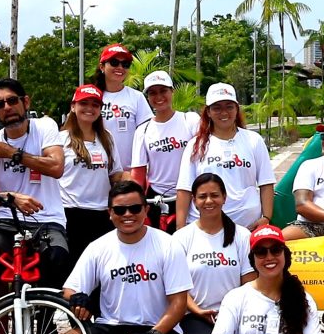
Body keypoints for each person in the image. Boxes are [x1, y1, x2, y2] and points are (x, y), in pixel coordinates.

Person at [64, 177, 188, 334]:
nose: (127, 214)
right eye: (120, 210)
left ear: (146, 209)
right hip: (111, 327)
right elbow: (70, 289)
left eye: (135, 208)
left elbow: (179, 303)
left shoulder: (168, 244)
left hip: (156, 326)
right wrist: (77, 297)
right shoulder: (98, 247)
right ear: (110, 213)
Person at [0, 76, 72, 292]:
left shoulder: (44, 126)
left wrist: (12, 153)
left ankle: (45, 322)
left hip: (47, 219)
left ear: (26, 102)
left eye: (12, 101)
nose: (7, 107)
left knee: (57, 256)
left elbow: (56, 167)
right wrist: (9, 198)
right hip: (5, 221)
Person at [168, 171, 247, 334]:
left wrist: (232, 312)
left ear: (224, 197)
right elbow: (176, 287)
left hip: (234, 313)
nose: (209, 201)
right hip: (195, 313)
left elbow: (249, 282)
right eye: (202, 196)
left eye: (215, 195)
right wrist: (198, 310)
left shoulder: (241, 236)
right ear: (194, 200)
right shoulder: (181, 238)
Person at [184, 83, 273, 229]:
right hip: (206, 229)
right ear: (208, 112)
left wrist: (266, 218)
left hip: (248, 227)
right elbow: (185, 188)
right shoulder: (195, 145)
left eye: (229, 106)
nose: (223, 112)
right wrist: (181, 229)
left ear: (237, 109)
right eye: (217, 107)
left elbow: (266, 182)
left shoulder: (253, 140)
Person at [126, 70, 199, 226]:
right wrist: (138, 205)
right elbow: (138, 175)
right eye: (153, 93)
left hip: (191, 196)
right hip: (158, 199)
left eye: (163, 91)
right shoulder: (143, 130)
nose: (158, 97)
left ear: (172, 91)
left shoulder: (190, 120)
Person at [58, 85, 119, 247]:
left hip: (102, 213)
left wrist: (131, 179)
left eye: (95, 104)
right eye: (84, 103)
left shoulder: (107, 138)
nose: (89, 108)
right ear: (73, 106)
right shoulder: (60, 139)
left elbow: (115, 174)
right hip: (70, 212)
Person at [89, 44, 151, 171]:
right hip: (96, 171)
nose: (120, 67)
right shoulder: (91, 96)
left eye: (125, 64)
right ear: (102, 66)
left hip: (129, 173)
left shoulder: (137, 97)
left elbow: (147, 136)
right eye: (114, 62)